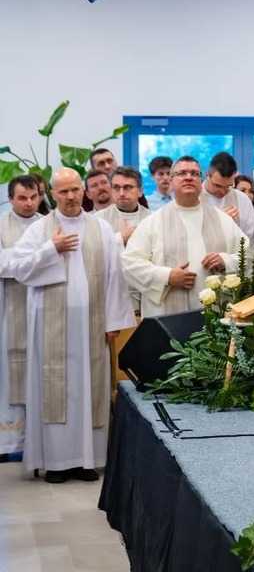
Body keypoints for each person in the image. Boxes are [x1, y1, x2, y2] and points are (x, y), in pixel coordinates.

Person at [10, 168, 135, 483]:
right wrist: (51, 249)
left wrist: (113, 320)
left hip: (91, 326)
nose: (70, 196)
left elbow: (113, 277)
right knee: (56, 389)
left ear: (84, 191)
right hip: (50, 327)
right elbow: (19, 269)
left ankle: (85, 461)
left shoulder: (101, 229)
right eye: (63, 191)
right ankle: (56, 462)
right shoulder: (41, 229)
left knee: (88, 389)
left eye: (75, 190)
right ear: (52, 194)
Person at [121, 156, 246, 318]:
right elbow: (130, 263)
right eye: (182, 173)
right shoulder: (152, 222)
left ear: (201, 180)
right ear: (172, 181)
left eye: (194, 173)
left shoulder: (223, 221)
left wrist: (225, 261)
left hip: (215, 314)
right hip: (167, 313)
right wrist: (167, 277)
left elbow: (248, 254)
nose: (188, 177)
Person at [1, 176, 43, 462]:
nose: (29, 203)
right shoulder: (2, 225)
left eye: (33, 197)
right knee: (9, 375)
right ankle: (7, 442)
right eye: (22, 198)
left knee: (42, 373)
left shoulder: (50, 223)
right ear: (10, 198)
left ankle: (40, 443)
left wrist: (19, 259)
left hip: (44, 307)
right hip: (11, 309)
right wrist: (36, 257)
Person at [203, 152, 254, 239]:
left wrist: (234, 227)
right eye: (218, 186)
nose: (222, 191)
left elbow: (251, 238)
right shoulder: (192, 198)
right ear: (207, 175)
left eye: (228, 186)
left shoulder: (242, 199)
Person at [96, 166, 151, 246]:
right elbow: (93, 248)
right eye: (116, 187)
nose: (121, 194)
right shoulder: (98, 218)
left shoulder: (152, 218)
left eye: (127, 187)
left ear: (140, 191)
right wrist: (120, 238)